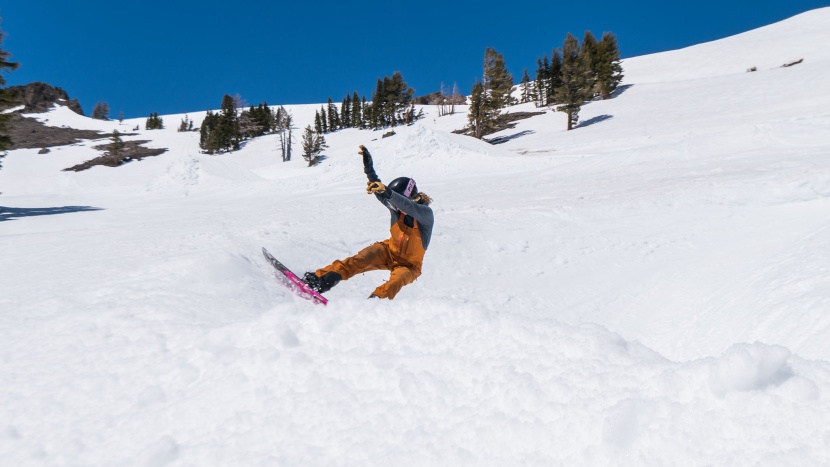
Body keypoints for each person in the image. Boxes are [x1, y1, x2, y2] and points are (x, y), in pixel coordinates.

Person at [303, 145, 434, 299]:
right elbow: (381, 192)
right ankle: (319, 282)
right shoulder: (396, 208)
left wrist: (388, 192)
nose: (396, 206)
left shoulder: (425, 214)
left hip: (409, 266)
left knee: (393, 284)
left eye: (399, 201)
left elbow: (409, 206)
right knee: (357, 261)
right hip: (388, 251)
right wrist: (369, 169)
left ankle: (373, 304)